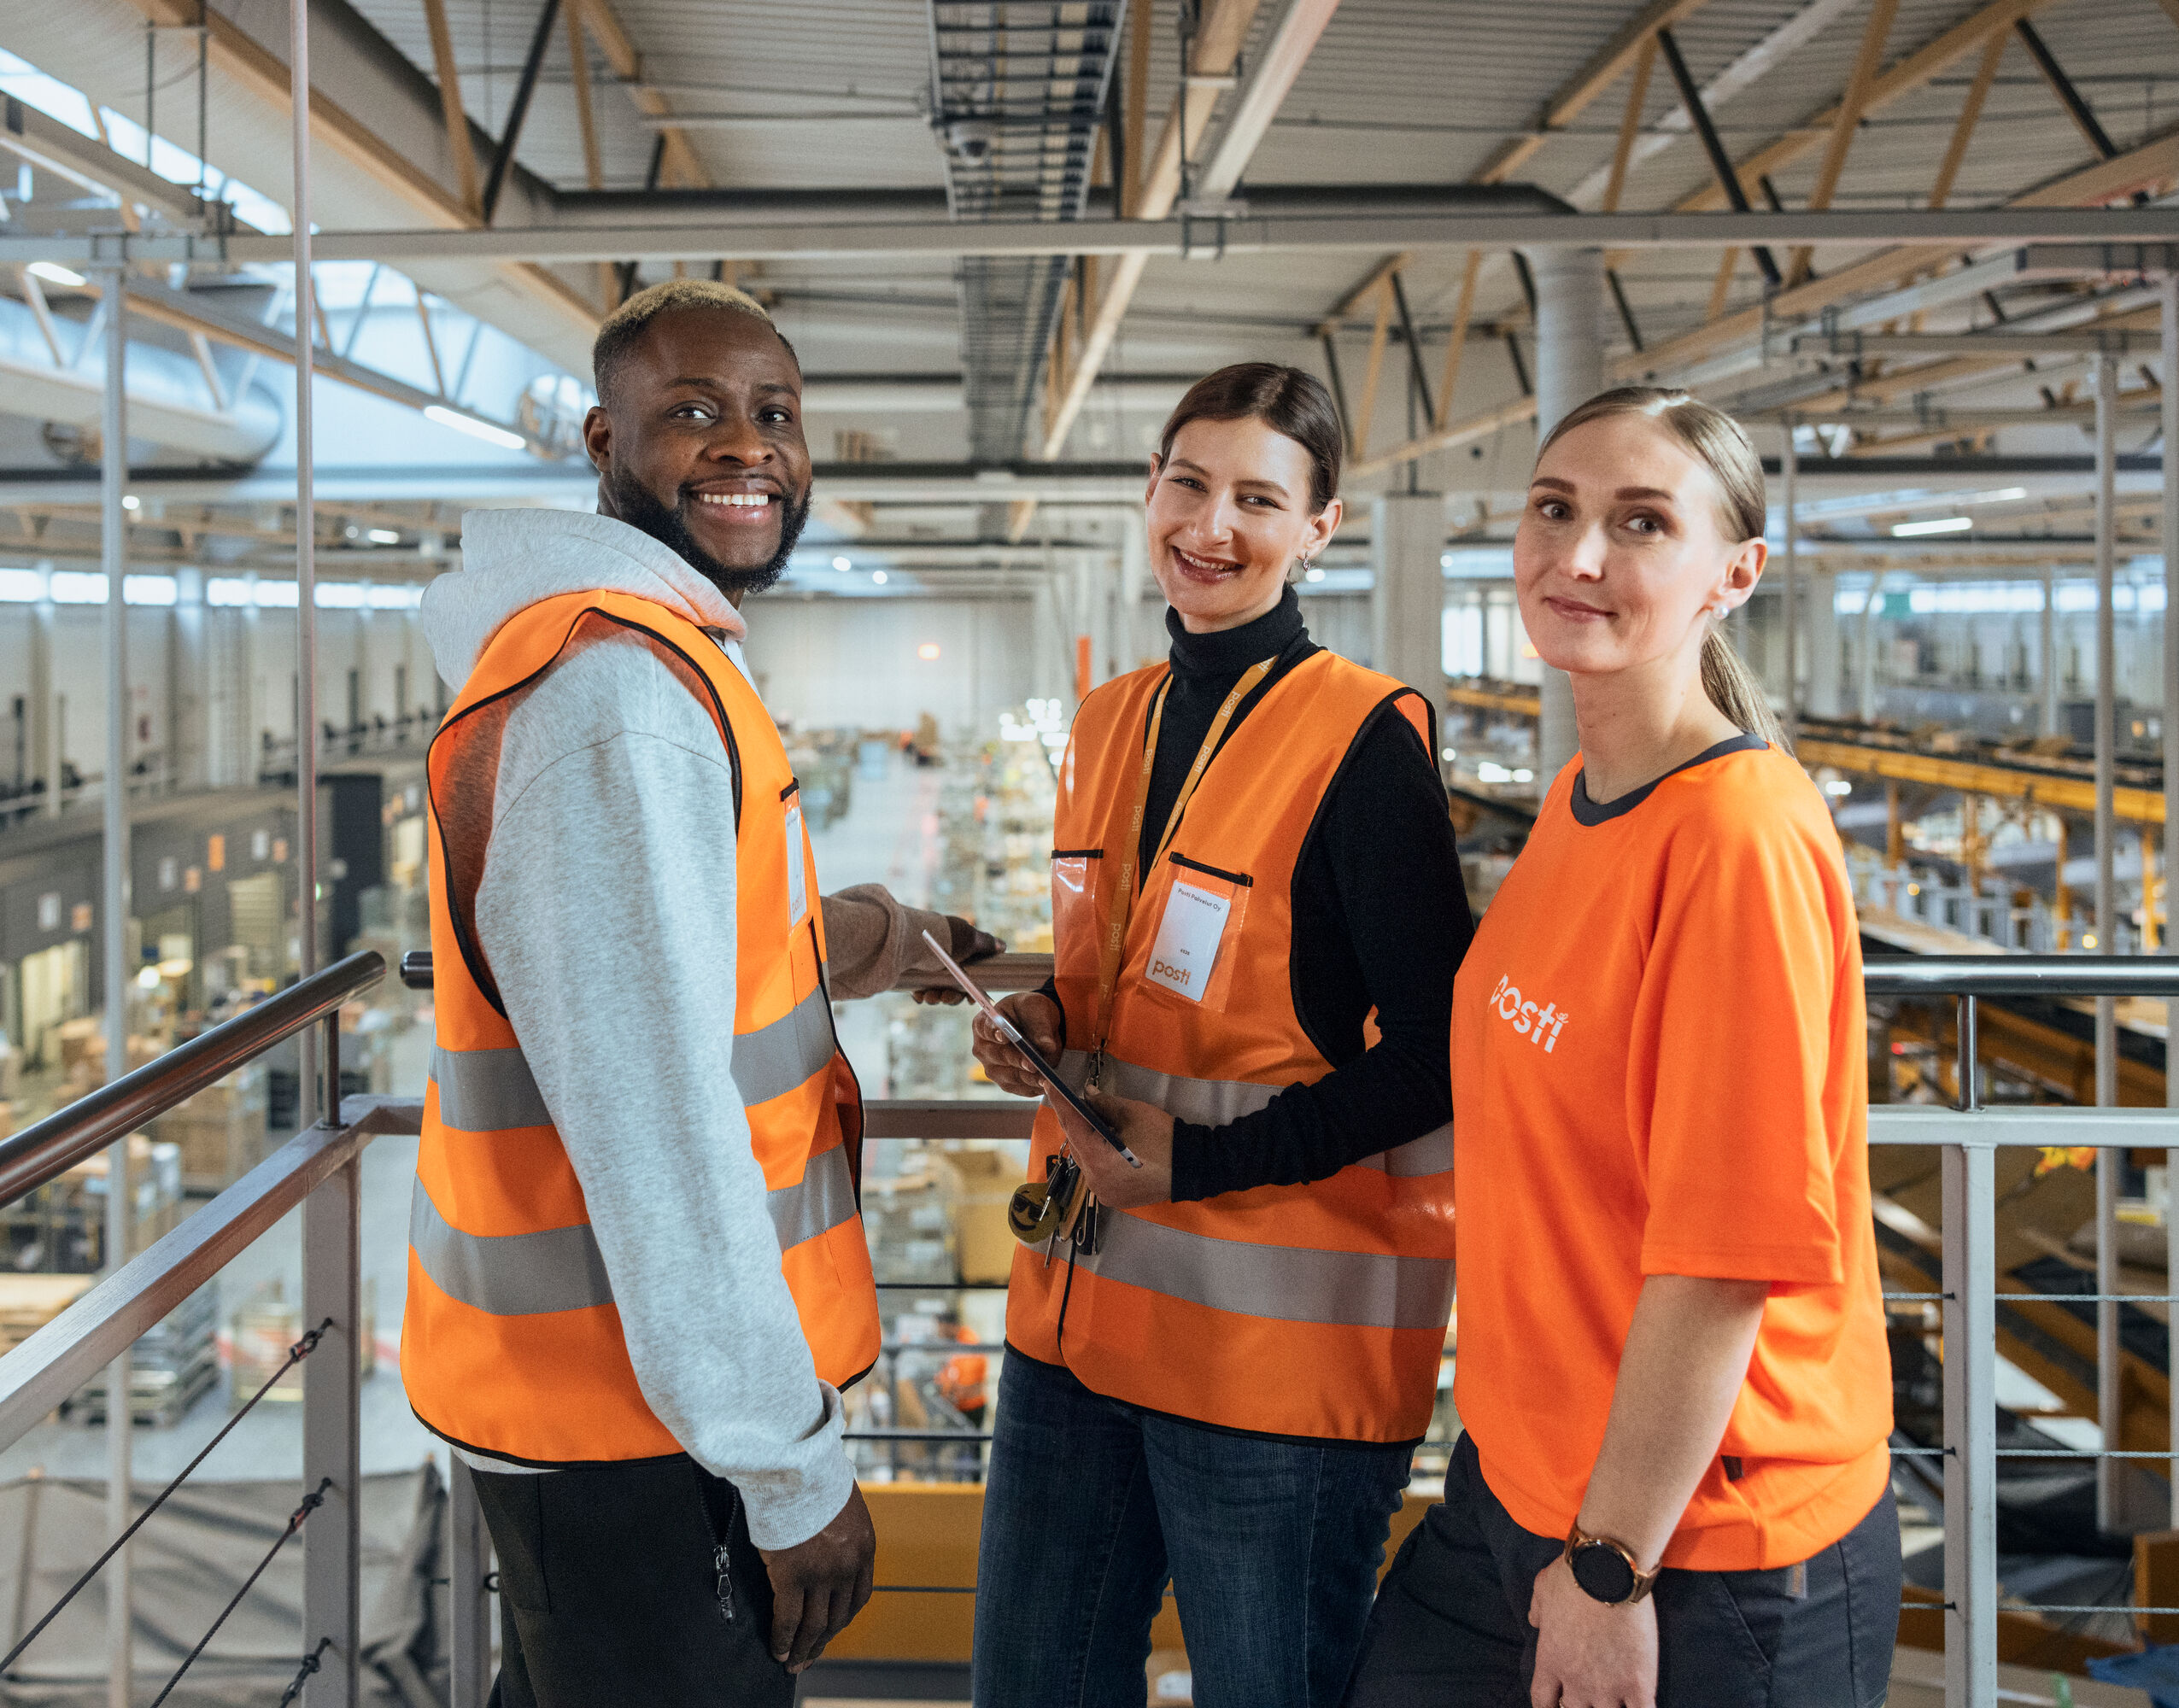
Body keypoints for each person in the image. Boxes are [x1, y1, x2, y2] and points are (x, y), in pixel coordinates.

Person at [404, 277, 988, 1707]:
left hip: (618, 1409)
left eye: (774, 414)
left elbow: (685, 961)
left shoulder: (645, 660)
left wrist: (870, 934)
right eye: (693, 412)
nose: (747, 446)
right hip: (641, 1426)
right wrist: (788, 1469)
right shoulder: (614, 699)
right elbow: (658, 1121)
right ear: (605, 442)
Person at [1345, 387, 1898, 1708]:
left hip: (1695, 1546)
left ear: (1733, 575)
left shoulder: (1736, 841)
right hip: (1518, 1483)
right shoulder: (1581, 804)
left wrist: (1608, 1571)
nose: (1577, 556)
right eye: (1555, 509)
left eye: (1640, 523)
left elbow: (1722, 1261)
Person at [959, 362, 1474, 1707]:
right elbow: (1111, 974)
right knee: (1032, 1686)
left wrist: (1196, 1166)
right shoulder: (1106, 720)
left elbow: (1435, 1056)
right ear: (1148, 494)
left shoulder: (1361, 743)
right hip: (1071, 1327)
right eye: (1188, 484)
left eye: (1259, 497)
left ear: (1321, 527)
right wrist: (1044, 1023)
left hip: (1272, 1374)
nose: (1213, 524)